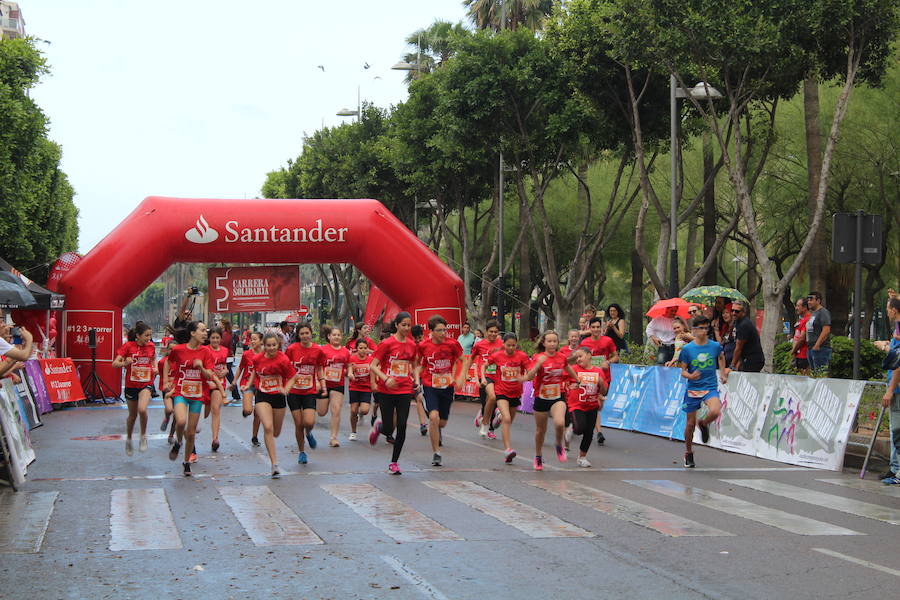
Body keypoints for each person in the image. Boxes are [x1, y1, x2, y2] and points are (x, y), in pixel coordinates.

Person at [163, 321, 221, 477]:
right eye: (202, 330)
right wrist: (166, 382)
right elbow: (168, 363)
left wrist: (201, 367)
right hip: (181, 392)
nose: (205, 333)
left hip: (197, 395)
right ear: (192, 333)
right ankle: (178, 442)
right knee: (181, 421)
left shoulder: (206, 352)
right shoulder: (178, 350)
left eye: (205, 331)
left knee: (191, 432)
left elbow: (210, 374)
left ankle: (187, 462)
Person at [369, 312, 418, 474]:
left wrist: (415, 379)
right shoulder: (387, 344)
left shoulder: (411, 344)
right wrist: (385, 378)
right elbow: (374, 366)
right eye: (403, 324)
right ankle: (380, 426)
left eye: (408, 325)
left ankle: (394, 462)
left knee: (402, 425)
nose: (406, 328)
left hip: (404, 389)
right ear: (396, 325)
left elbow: (413, 364)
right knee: (389, 428)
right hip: (386, 390)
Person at [246, 332, 301, 478]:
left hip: (278, 396)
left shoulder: (283, 359)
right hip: (262, 395)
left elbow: (293, 377)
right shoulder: (257, 358)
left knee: (276, 432)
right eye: (268, 345)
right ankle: (274, 464)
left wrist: (286, 389)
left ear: (278, 345)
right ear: (264, 346)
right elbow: (255, 373)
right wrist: (248, 385)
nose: (271, 348)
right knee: (268, 427)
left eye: (274, 345)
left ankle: (274, 460)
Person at [522, 330, 579, 471]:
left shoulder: (561, 357)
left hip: (557, 395)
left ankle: (559, 445)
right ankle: (538, 456)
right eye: (549, 341)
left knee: (560, 423)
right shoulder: (538, 357)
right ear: (544, 343)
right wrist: (538, 364)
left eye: (555, 341)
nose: (552, 344)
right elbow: (529, 376)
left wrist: (577, 379)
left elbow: (567, 367)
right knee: (541, 430)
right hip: (541, 397)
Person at [678, 315, 730, 468]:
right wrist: (691, 375)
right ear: (694, 330)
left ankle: (704, 423)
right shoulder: (687, 349)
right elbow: (683, 371)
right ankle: (688, 452)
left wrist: (722, 372)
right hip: (693, 388)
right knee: (689, 424)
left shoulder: (714, 346)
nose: (704, 331)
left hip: (709, 387)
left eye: (706, 328)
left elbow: (721, 357)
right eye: (701, 328)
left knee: (715, 411)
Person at [415, 315, 464, 466]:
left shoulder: (452, 344)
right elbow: (417, 365)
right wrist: (417, 380)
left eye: (444, 330)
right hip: (430, 385)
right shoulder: (424, 346)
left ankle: (438, 430)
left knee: (441, 422)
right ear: (431, 331)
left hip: (447, 386)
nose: (443, 333)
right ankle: (436, 452)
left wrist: (461, 377)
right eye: (439, 330)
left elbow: (465, 360)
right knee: (434, 417)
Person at [485, 333, 531, 463]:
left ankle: (498, 417)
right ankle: (508, 450)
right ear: (503, 344)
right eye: (508, 345)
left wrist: (526, 377)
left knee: (508, 421)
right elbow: (485, 365)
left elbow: (530, 370)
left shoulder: (521, 356)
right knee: (507, 418)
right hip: (501, 391)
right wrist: (483, 378)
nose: (511, 348)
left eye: (513, 345)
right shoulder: (497, 356)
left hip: (515, 393)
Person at [112, 321, 156, 455]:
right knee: (132, 416)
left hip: (146, 383)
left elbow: (153, 359)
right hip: (131, 385)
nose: (148, 339)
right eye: (146, 336)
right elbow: (115, 364)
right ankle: (129, 439)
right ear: (137, 335)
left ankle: (143, 436)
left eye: (150, 336)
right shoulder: (128, 346)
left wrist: (155, 368)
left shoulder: (151, 346)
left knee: (142, 409)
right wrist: (125, 362)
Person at [285, 323, 326, 464]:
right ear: (298, 335)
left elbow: (320, 367)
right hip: (294, 391)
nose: (304, 336)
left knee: (309, 421)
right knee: (298, 424)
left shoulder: (317, 350)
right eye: (301, 334)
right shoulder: (291, 349)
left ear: (311, 333)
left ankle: (309, 433)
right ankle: (302, 452)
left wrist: (322, 383)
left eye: (306, 333)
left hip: (309, 390)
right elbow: (285, 367)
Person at [565, 346, 609, 468]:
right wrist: (568, 386)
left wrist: (601, 383)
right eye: (577, 357)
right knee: (579, 428)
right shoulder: (573, 369)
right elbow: (563, 378)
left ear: (589, 355)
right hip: (576, 404)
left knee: (589, 432)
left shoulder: (598, 371)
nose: (578, 359)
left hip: (592, 405)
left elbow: (604, 392)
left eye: (581, 356)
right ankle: (572, 429)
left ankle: (582, 457)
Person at [580, 316, 618, 446]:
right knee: (594, 404)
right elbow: (580, 359)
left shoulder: (608, 341)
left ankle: (592, 427)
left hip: (604, 377)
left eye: (598, 327)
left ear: (601, 328)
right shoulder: (584, 343)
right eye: (593, 327)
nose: (596, 329)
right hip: (589, 378)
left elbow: (616, 357)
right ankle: (599, 432)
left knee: (599, 406)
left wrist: (608, 362)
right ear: (589, 328)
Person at [466, 320, 504, 439]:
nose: (493, 334)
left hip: (497, 376)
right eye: (491, 332)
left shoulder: (501, 344)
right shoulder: (479, 344)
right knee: (488, 400)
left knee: (492, 399)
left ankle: (488, 427)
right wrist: (467, 372)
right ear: (486, 332)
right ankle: (483, 416)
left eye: (495, 332)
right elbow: (471, 358)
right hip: (484, 376)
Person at [880, 296, 900, 485]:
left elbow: (898, 364)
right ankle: (895, 468)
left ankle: (898, 471)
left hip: (897, 388)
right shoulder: (897, 330)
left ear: (894, 310)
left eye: (888, 308)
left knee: (897, 429)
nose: (887, 311)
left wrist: (890, 389)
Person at [321, 326, 351, 447]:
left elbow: (348, 365)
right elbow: (318, 365)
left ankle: (333, 437)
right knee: (322, 412)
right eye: (334, 335)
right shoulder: (323, 350)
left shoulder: (345, 351)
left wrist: (349, 372)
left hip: (338, 384)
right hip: (324, 384)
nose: (336, 337)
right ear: (329, 337)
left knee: (336, 410)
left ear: (341, 337)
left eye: (339, 335)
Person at [235, 331, 263, 446]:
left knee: (258, 413)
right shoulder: (247, 354)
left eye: (255, 339)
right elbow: (240, 368)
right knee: (248, 410)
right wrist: (234, 381)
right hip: (248, 383)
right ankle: (245, 411)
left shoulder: (266, 354)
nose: (252, 341)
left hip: (261, 385)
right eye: (251, 339)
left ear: (261, 341)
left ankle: (254, 437)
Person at [204, 327, 230, 452]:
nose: (215, 340)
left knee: (216, 409)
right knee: (205, 413)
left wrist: (225, 371)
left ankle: (215, 439)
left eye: (217, 338)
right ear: (209, 338)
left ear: (221, 338)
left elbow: (225, 366)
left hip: (219, 383)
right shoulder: (204, 350)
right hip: (206, 383)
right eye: (213, 338)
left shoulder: (225, 350)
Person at [347, 338, 374, 441]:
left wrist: (373, 384)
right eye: (360, 348)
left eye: (365, 348)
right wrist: (350, 374)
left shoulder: (370, 360)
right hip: (354, 387)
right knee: (353, 410)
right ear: (356, 349)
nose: (363, 350)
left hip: (366, 388)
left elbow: (374, 372)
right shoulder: (352, 359)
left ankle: (360, 414)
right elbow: (350, 369)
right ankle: (353, 432)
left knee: (365, 410)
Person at [730, 302, 765, 372]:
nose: (734, 313)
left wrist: (732, 366)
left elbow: (738, 348)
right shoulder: (738, 322)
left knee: (750, 381)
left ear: (743, 312)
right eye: (732, 310)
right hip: (747, 358)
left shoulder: (744, 325)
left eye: (737, 311)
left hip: (753, 360)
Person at [806, 291, 832, 373]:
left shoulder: (823, 312)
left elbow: (826, 330)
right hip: (811, 348)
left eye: (811, 299)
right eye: (808, 300)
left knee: (820, 374)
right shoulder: (813, 314)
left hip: (821, 348)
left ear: (818, 301)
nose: (809, 302)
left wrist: (817, 344)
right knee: (814, 374)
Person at [410, 324, 430, 436]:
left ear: (423, 335)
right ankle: (423, 425)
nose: (418, 340)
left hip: (430, 376)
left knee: (425, 400)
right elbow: (412, 363)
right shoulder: (413, 346)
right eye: (415, 338)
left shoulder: (429, 344)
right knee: (419, 398)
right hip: (418, 376)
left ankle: (429, 411)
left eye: (420, 338)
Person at [790, 298, 811, 374]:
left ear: (805, 307)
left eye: (798, 306)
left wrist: (793, 350)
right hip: (798, 355)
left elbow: (802, 338)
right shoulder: (801, 320)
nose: (796, 308)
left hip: (804, 355)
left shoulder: (808, 319)